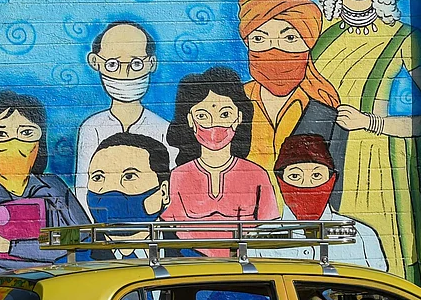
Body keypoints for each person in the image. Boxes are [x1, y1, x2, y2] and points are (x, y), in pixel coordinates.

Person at [312, 0, 421, 286]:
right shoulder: (318, 37)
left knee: (386, 262)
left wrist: (372, 123)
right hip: (329, 160)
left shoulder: (403, 38)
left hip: (383, 166)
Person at [236, 0, 347, 211]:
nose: (273, 48)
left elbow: (337, 186)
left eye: (289, 38)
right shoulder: (232, 104)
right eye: (259, 38)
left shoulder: (325, 110)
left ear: (308, 42)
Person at [0, 90, 89, 277]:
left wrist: (12, 247)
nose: (14, 143)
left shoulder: (53, 187)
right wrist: (35, 271)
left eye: (26, 133)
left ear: (39, 141)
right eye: (0, 133)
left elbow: (81, 233)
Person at [163, 67, 280, 255]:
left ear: (239, 117)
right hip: (189, 270)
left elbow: (269, 232)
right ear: (190, 121)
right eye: (202, 116)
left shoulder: (256, 175)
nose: (213, 124)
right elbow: (170, 233)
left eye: (225, 114)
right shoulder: (178, 176)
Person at [74, 22, 175, 208]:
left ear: (151, 63)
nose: (125, 73)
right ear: (96, 62)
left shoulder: (163, 129)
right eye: (113, 64)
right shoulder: (92, 127)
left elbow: (172, 189)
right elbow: (83, 188)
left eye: (136, 63)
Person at [258, 134, 387, 270]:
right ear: (280, 180)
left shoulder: (361, 235)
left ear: (332, 179)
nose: (306, 184)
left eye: (316, 175)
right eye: (295, 176)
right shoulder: (261, 238)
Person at [84, 132, 201, 260]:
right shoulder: (75, 258)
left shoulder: (192, 261)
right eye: (98, 177)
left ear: (163, 192)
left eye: (129, 176)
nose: (111, 188)